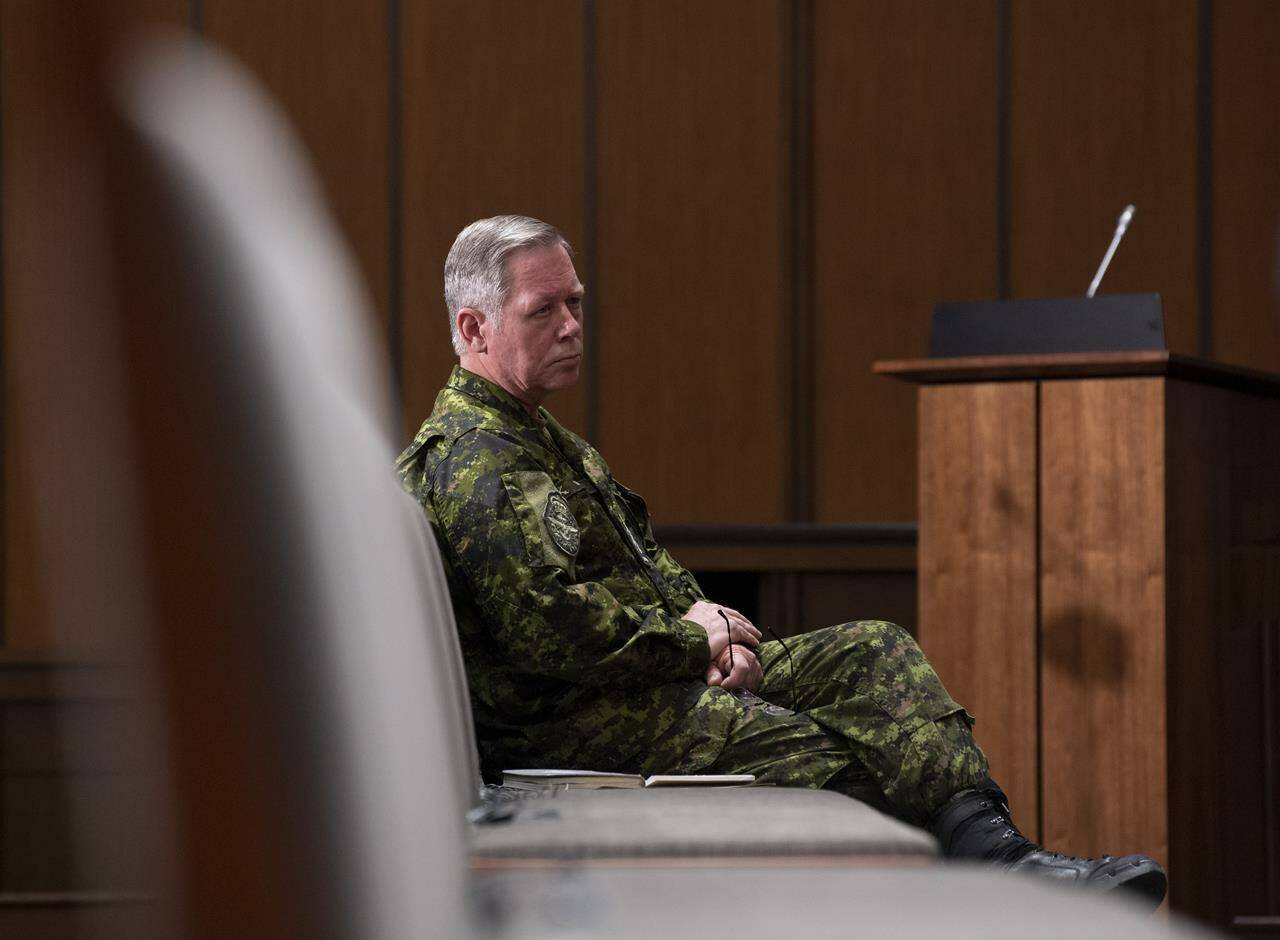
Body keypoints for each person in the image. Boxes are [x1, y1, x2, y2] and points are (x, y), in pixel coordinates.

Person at [397, 214, 1167, 906]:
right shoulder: (478, 461)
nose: (572, 326)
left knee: (874, 652)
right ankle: (1008, 879)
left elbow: (646, 563)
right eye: (545, 311)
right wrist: (695, 645)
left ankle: (1004, 858)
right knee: (852, 751)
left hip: (642, 677)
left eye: (577, 303)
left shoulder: (541, 434)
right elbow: (554, 634)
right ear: (474, 328)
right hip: (567, 723)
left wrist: (719, 635)